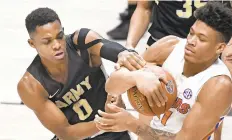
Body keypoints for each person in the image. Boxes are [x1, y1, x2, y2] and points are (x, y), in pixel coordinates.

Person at [95, 2, 232, 140]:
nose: (191, 41)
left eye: (201, 39)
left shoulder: (218, 85)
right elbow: (111, 85)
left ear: (220, 48)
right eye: (191, 33)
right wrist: (135, 77)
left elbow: (184, 139)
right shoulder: (169, 47)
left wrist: (130, 123)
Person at [17, 7, 146, 140]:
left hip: (113, 134)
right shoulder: (31, 85)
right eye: (47, 41)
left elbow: (113, 50)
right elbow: (66, 133)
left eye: (59, 36)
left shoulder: (82, 43)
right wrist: (107, 120)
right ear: (32, 43)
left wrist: (123, 54)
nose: (56, 45)